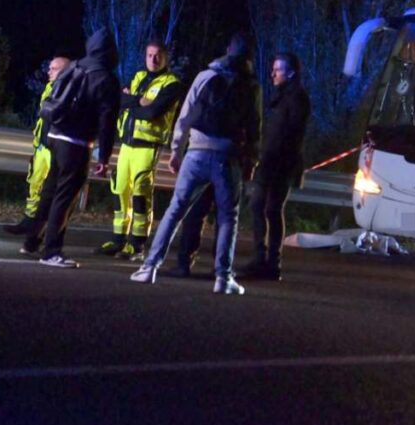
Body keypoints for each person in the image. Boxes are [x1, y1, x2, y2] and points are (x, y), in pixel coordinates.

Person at [130, 33, 261, 294]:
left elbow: (185, 116)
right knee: (228, 218)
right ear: (249, 57)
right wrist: (251, 162)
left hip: (197, 153)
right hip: (228, 157)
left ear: (227, 50)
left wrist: (176, 151)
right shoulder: (251, 86)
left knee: (175, 210)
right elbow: (255, 128)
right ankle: (223, 278)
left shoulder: (206, 76)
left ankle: (149, 267)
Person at [21, 28, 121, 267]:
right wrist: (104, 157)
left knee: (49, 192)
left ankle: (31, 241)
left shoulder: (74, 66)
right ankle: (51, 252)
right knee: (64, 198)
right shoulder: (106, 78)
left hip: (55, 137)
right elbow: (107, 121)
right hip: (76, 144)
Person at [98, 40, 182, 261]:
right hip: (126, 144)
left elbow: (153, 112)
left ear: (166, 57)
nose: (153, 60)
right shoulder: (138, 77)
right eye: (149, 55)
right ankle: (118, 240)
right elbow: (118, 99)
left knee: (140, 194)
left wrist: (130, 102)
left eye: (158, 56)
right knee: (120, 189)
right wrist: (138, 101)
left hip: (147, 146)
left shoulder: (171, 83)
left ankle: (136, 245)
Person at [243, 52, 311, 280]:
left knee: (270, 209)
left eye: (278, 69)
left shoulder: (297, 99)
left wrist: (285, 163)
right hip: (270, 161)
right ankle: (262, 259)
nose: (272, 73)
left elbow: (292, 136)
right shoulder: (282, 97)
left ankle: (271, 262)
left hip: (280, 164)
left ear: (290, 72)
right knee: (259, 207)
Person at [3, 55, 71, 235]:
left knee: (51, 190)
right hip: (42, 146)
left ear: (64, 71)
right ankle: (28, 221)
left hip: (56, 148)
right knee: (35, 184)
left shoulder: (71, 90)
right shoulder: (49, 87)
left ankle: (45, 229)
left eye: (53, 69)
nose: (48, 72)